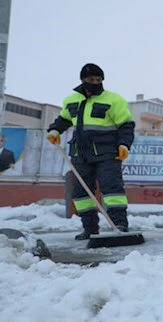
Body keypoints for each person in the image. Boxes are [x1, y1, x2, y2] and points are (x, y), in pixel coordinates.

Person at [46, 63, 135, 240]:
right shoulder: (71, 100)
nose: (94, 82)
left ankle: (119, 224)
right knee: (81, 192)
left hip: (108, 152)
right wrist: (55, 130)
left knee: (112, 189)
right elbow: (64, 119)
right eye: (90, 79)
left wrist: (124, 144)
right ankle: (90, 228)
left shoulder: (113, 100)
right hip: (80, 153)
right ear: (83, 80)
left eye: (98, 79)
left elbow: (126, 125)